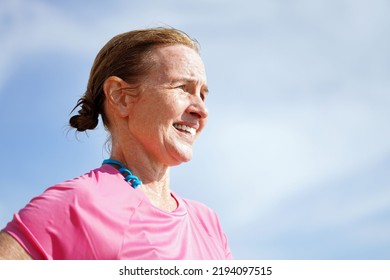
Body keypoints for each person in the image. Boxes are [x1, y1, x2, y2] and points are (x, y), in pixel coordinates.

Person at [0, 27, 232, 260]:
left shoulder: (208, 224)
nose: (201, 110)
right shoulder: (76, 204)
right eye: (183, 88)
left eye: (202, 94)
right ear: (121, 97)